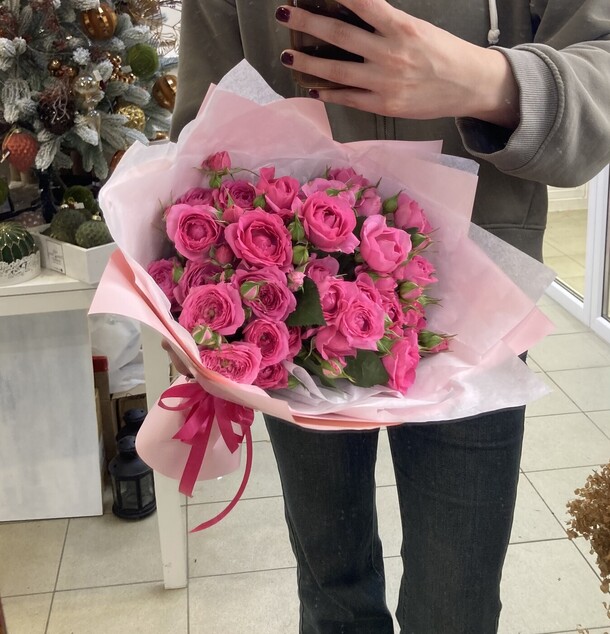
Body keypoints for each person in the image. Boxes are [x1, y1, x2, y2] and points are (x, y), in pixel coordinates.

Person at [168, 2, 610, 632]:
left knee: (456, 605)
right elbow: (204, 118)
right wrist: (183, 291)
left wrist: (484, 80)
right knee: (332, 593)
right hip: (289, 294)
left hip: (474, 296)